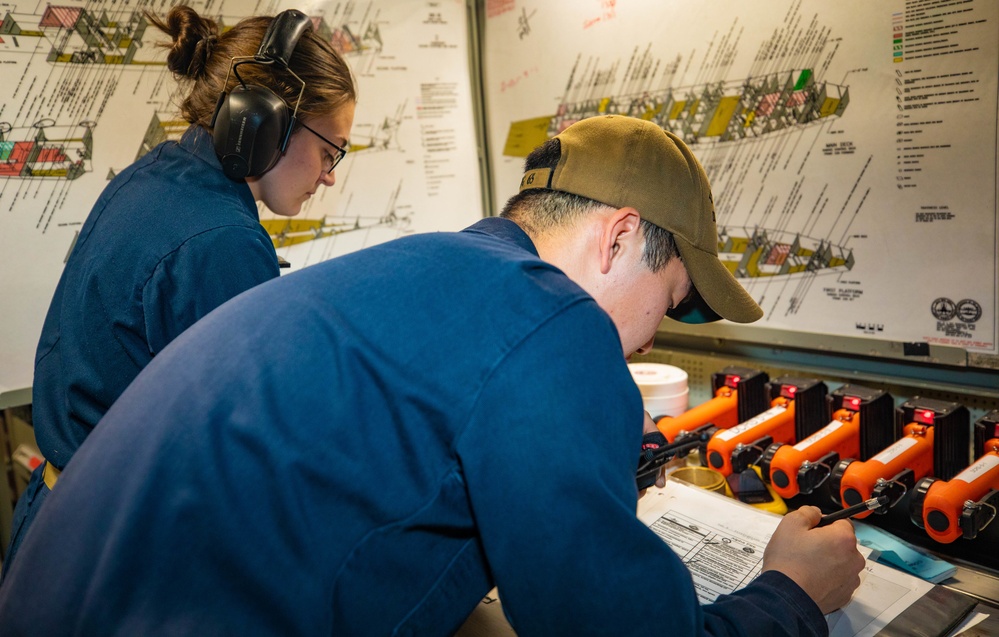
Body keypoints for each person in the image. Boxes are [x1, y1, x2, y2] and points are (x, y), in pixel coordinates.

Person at [0, 115, 864, 635]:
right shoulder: (554, 322)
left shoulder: (425, 264)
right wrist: (789, 591)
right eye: (669, 298)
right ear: (615, 238)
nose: (643, 340)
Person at [1, 6, 356, 580]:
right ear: (267, 123)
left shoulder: (156, 175)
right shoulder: (224, 242)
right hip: (114, 548)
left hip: (56, 518)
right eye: (330, 149)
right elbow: (246, 454)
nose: (330, 173)